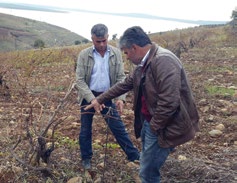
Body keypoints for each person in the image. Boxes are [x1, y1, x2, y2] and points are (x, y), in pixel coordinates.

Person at [85, 26, 200, 182]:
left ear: (134, 48)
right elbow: (125, 84)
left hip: (163, 126)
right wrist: (100, 99)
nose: (126, 57)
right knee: (147, 165)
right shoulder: (144, 63)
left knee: (147, 173)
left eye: (126, 52)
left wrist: (153, 127)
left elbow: (169, 103)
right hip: (150, 121)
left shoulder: (164, 61)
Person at [75, 24, 140, 170]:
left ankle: (134, 156)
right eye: (98, 41)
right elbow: (79, 80)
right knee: (85, 129)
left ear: (108, 37)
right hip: (88, 97)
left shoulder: (116, 53)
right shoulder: (84, 55)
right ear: (92, 39)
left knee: (118, 127)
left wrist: (120, 98)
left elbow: (120, 78)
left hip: (107, 95)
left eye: (104, 40)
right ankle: (86, 158)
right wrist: (93, 99)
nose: (102, 44)